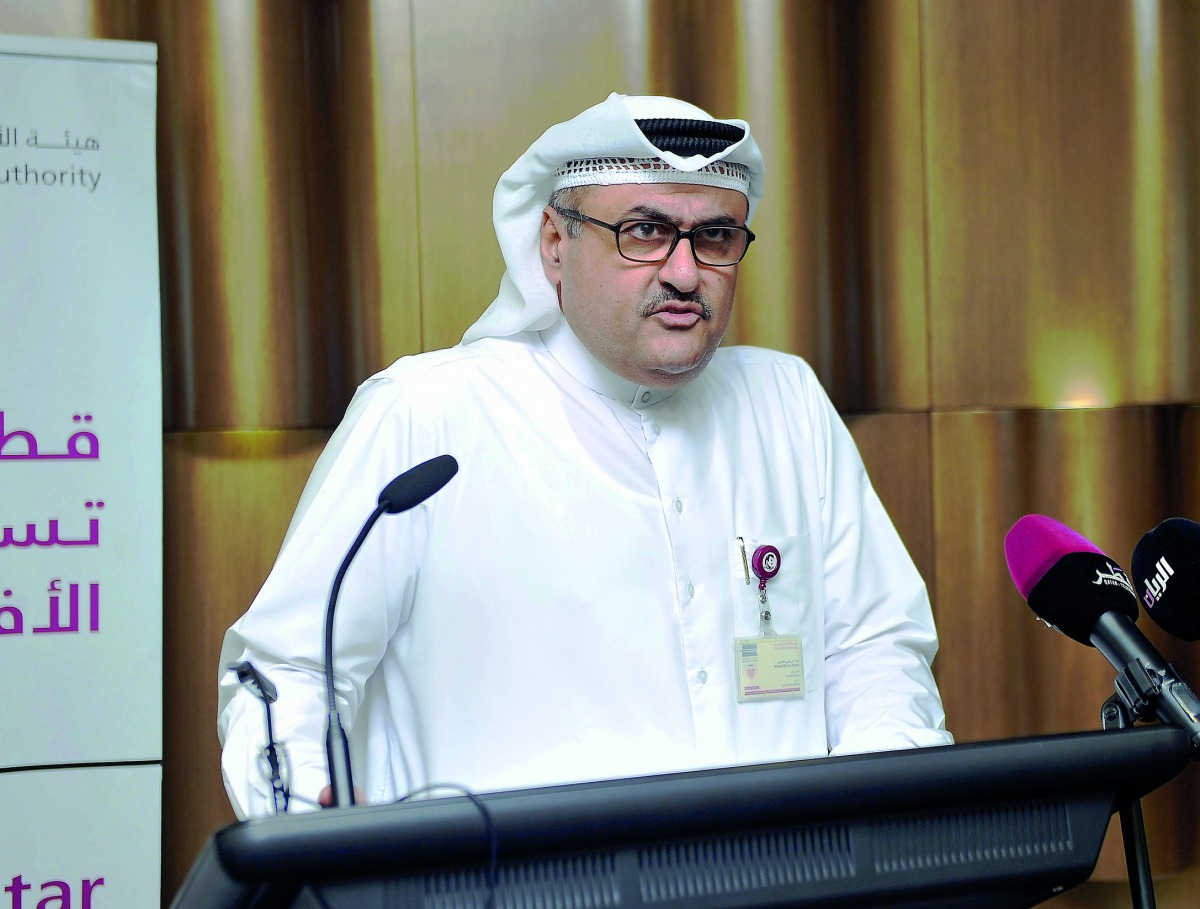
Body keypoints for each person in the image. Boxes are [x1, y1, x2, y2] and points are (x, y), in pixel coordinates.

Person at [217, 93, 952, 820]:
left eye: (717, 236)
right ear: (554, 243)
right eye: (645, 230)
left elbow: (875, 651)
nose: (685, 273)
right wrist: (319, 827)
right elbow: (283, 672)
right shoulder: (428, 414)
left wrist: (886, 821)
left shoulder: (786, 402)